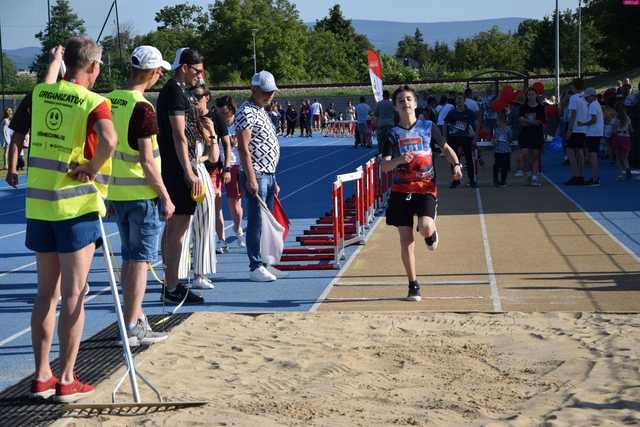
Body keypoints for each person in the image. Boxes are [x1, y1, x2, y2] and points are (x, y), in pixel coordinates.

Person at [6, 38, 117, 402]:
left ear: (64, 63)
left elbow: (50, 83)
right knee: (74, 295)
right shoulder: (93, 102)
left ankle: (41, 375)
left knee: (45, 294)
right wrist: (92, 167)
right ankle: (66, 378)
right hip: (75, 208)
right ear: (95, 68)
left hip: (40, 207)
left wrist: (56, 61)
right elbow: (110, 140)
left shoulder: (41, 93)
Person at [106, 46, 175, 346]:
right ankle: (132, 324)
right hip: (142, 194)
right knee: (140, 261)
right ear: (151, 72)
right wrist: (165, 196)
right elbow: (147, 160)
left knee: (130, 258)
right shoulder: (143, 107)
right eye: (159, 70)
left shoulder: (108, 100)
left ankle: (134, 316)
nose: (161, 74)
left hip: (117, 193)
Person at [381, 85, 462, 302]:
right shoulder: (391, 134)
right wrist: (399, 160)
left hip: (425, 187)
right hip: (401, 190)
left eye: (408, 99)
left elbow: (445, 148)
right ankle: (413, 284)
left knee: (425, 226)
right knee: (405, 239)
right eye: (400, 100)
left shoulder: (428, 126)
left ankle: (431, 233)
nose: (405, 103)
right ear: (396, 107)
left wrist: (456, 164)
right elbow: (385, 167)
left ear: (415, 104)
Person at [156, 47, 207, 304]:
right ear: (185, 67)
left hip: (177, 167)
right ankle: (172, 286)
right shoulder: (174, 92)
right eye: (197, 71)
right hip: (177, 170)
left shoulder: (179, 91)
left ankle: (171, 284)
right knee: (178, 229)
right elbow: (178, 136)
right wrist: (188, 171)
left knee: (176, 229)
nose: (200, 76)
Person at [236, 71, 285, 281]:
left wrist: (274, 177)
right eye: (265, 92)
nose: (269, 96)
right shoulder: (246, 112)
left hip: (268, 174)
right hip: (256, 173)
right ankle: (255, 265)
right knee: (256, 221)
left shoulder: (261, 110)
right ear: (253, 90)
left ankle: (264, 262)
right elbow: (244, 148)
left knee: (266, 221)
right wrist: (251, 177)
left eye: (271, 92)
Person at [177, 83, 219, 289]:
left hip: (201, 174)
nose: (197, 100)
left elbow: (214, 156)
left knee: (205, 224)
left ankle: (200, 273)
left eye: (200, 96)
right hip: (185, 173)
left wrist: (212, 135)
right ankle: (178, 274)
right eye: (194, 96)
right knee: (182, 226)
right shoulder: (182, 121)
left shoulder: (205, 123)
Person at [215, 96, 245, 246]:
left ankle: (238, 227)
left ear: (231, 110)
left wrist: (236, 142)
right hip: (217, 165)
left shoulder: (239, 123)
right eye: (219, 111)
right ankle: (221, 239)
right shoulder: (215, 122)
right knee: (217, 201)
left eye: (224, 112)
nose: (221, 114)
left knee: (235, 205)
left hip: (234, 165)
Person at [206, 95, 233, 253]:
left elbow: (227, 144)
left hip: (214, 169)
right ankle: (200, 240)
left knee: (216, 207)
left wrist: (227, 167)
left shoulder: (216, 117)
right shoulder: (188, 115)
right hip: (196, 169)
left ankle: (222, 240)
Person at [444, 93, 477, 188]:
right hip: (453, 138)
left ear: (464, 100)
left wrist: (475, 137)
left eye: (460, 98)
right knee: (454, 160)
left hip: (466, 138)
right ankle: (456, 180)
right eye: (457, 99)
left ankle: (471, 180)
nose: (458, 100)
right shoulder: (452, 112)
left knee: (469, 159)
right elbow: (445, 123)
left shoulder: (469, 112)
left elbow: (475, 124)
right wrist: (445, 137)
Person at [519, 87, 546, 187]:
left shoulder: (540, 107)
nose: (531, 96)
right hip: (525, 134)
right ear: (527, 96)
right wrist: (531, 122)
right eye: (529, 94)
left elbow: (540, 121)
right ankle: (529, 171)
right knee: (525, 154)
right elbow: (521, 121)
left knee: (535, 155)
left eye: (532, 94)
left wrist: (528, 122)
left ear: (536, 95)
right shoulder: (523, 107)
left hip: (536, 134)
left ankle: (535, 176)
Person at [565, 79, 590, 185]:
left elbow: (573, 114)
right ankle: (580, 175)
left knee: (570, 151)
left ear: (574, 86)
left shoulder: (574, 98)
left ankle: (576, 175)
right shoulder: (586, 97)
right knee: (579, 151)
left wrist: (569, 130)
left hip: (575, 128)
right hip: (584, 128)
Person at [579, 88, 604, 186]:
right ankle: (595, 177)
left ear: (591, 96)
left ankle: (595, 178)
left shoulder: (593, 105)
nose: (586, 99)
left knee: (592, 156)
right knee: (592, 155)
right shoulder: (596, 104)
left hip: (593, 133)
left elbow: (593, 120)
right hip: (595, 133)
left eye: (586, 97)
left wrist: (583, 124)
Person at [611, 102, 633, 180]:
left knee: (618, 157)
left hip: (618, 138)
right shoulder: (628, 118)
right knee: (625, 157)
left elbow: (613, 130)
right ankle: (627, 168)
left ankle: (621, 174)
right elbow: (631, 129)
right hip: (626, 138)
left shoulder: (615, 119)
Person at [493, 111, 512, 187]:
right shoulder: (496, 130)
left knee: (504, 167)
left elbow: (510, 139)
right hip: (498, 151)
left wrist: (507, 140)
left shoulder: (508, 129)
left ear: (502, 121)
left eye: (497, 120)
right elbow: (494, 139)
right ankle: (495, 180)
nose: (496, 122)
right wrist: (494, 141)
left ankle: (503, 181)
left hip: (506, 151)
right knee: (497, 165)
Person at [374, 90, 394, 155]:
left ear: (383, 96)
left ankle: (380, 153)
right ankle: (391, 153)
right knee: (391, 140)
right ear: (389, 96)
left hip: (381, 124)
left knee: (380, 141)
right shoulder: (392, 103)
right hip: (390, 124)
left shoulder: (379, 103)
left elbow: (376, 114)